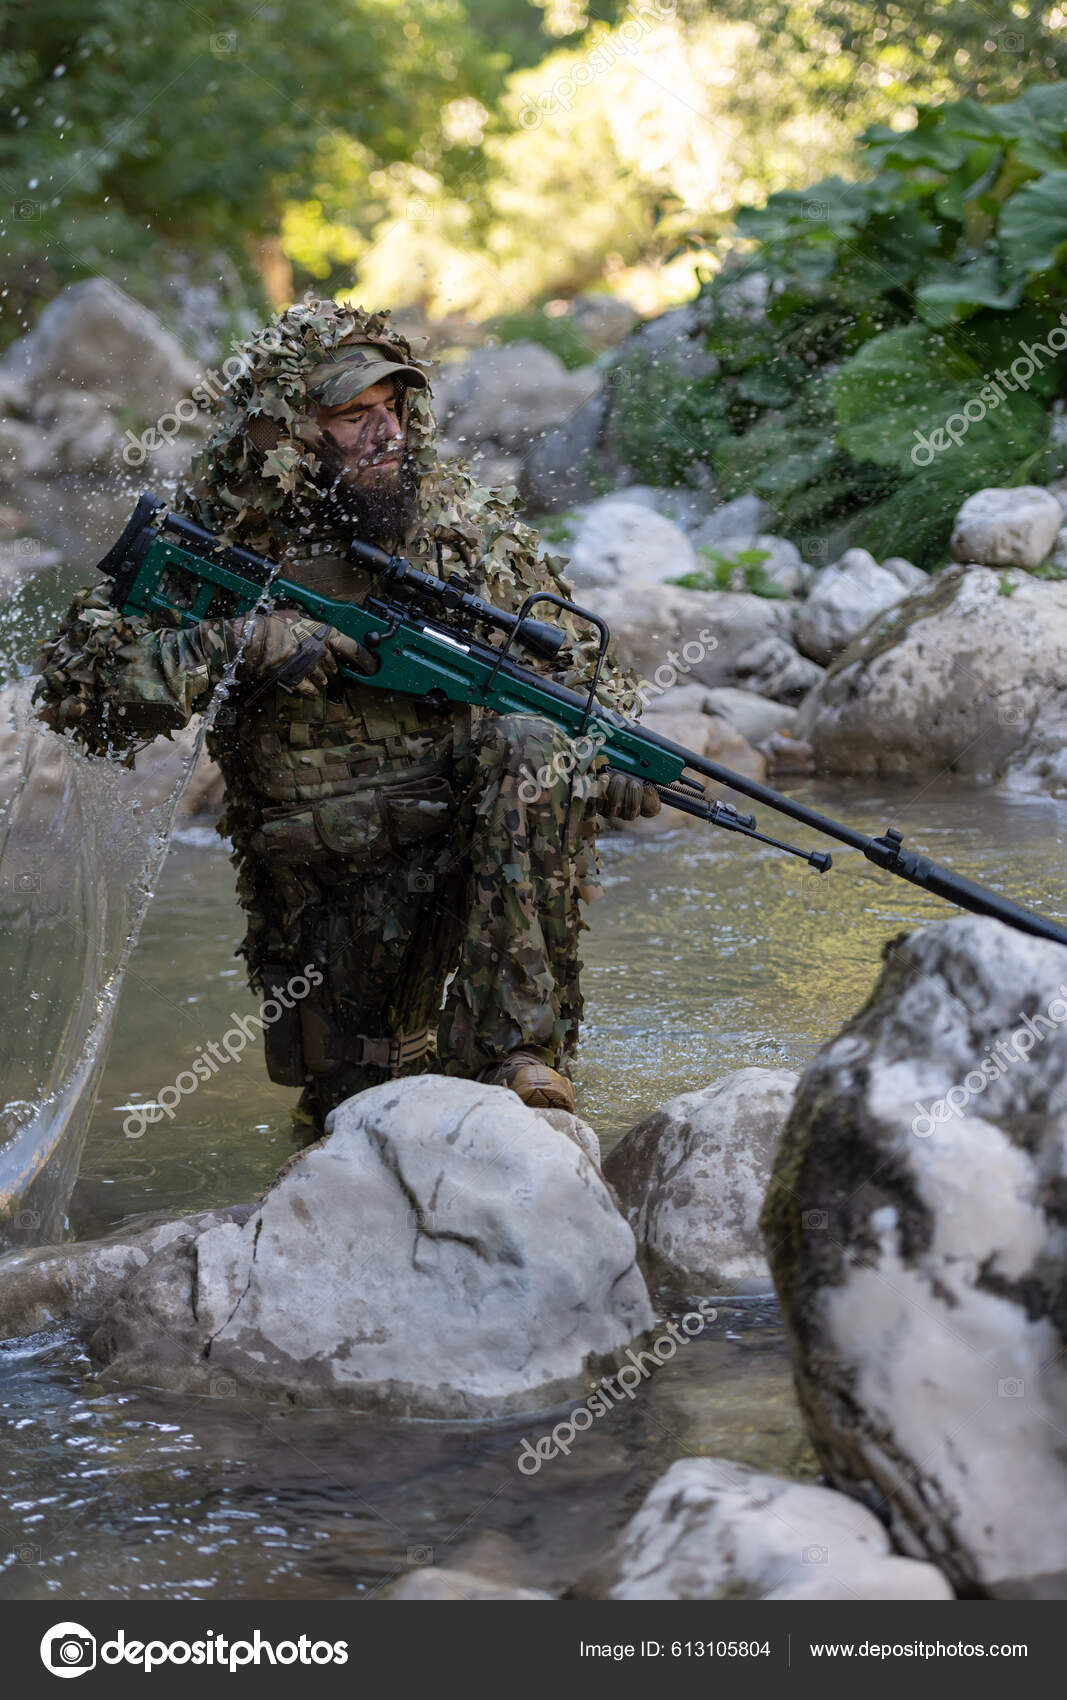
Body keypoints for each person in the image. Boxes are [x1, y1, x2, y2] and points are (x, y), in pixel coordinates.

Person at [35, 298, 660, 1135]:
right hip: (325, 887)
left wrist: (606, 753)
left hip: (476, 858)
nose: (386, 432)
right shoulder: (213, 535)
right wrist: (238, 643)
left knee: (533, 739)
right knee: (351, 1114)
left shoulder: (457, 524)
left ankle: (515, 1056)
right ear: (287, 429)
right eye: (353, 415)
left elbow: (578, 679)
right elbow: (80, 698)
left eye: (395, 409)